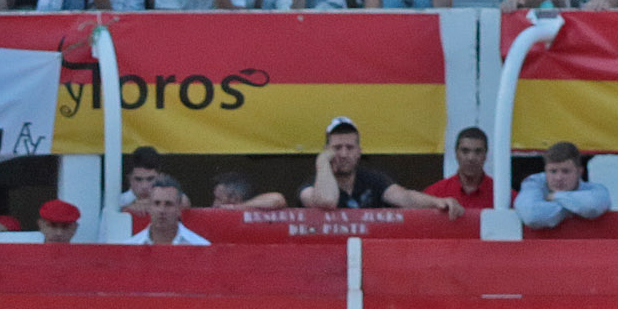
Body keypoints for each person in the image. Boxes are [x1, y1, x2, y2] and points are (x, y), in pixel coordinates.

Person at [300, 117, 464, 219]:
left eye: (349, 148)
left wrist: (438, 202)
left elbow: (404, 197)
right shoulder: (311, 186)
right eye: (337, 148)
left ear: (359, 152)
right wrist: (322, 162)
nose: (343, 154)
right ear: (327, 151)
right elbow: (327, 201)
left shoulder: (373, 179)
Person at [514, 140, 611, 230]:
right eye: (553, 171)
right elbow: (532, 216)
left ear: (579, 172)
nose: (558, 178)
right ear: (545, 171)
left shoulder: (594, 189)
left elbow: (592, 207)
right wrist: (575, 207)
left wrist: (555, 196)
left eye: (565, 171)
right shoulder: (534, 182)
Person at [423, 126, 494, 212]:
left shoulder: (504, 196)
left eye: (478, 151)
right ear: (456, 154)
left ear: (486, 155)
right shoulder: (434, 194)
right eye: (465, 151)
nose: (471, 158)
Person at [124, 175, 210, 246]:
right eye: (157, 203)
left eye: (168, 204)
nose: (162, 210)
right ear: (149, 207)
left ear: (179, 209)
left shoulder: (200, 246)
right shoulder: (130, 246)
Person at [209, 171, 288, 211]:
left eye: (218, 198)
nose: (214, 204)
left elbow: (277, 200)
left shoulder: (249, 206)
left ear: (235, 198)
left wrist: (235, 207)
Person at [119, 146, 163, 210]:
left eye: (150, 179)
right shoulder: (116, 205)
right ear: (129, 179)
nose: (144, 186)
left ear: (160, 178)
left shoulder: (176, 200)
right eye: (138, 179)